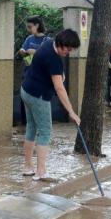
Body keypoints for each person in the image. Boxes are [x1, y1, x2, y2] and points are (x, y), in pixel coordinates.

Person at [21, 29, 81, 181]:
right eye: (68, 49)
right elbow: (59, 88)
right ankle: (41, 172)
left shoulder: (48, 43)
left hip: (26, 90)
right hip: (38, 97)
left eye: (71, 49)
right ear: (61, 44)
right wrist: (71, 112)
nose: (69, 52)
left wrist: (60, 75)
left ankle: (28, 167)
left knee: (31, 128)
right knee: (46, 132)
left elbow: (53, 74)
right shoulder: (53, 59)